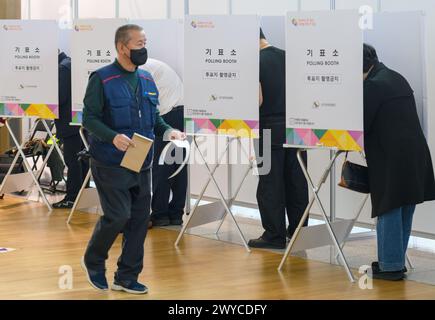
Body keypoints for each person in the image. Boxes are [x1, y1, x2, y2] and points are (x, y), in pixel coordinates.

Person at [81, 24, 185, 294]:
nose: (143, 48)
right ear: (122, 47)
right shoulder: (102, 79)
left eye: (145, 42)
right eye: (139, 43)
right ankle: (93, 260)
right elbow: (89, 118)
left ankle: (126, 276)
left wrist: (168, 131)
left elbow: (155, 117)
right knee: (118, 216)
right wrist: (111, 136)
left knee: (140, 219)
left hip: (142, 160)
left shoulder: (148, 79)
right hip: (109, 161)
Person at [363, 44, 435, 281]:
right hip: (414, 154)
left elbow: (361, 123)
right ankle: (393, 260)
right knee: (404, 205)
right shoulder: (395, 76)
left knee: (389, 205)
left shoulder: (373, 85)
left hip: (392, 157)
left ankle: (391, 266)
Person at [248, 29, 309, 250]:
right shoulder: (289, 57)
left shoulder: (253, 62)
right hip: (298, 130)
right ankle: (298, 231)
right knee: (297, 183)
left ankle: (274, 235)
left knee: (269, 184)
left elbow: (258, 99)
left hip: (267, 130)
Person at [141, 58, 187, 227]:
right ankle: (176, 214)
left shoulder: (140, 69)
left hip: (167, 115)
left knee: (161, 166)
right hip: (181, 113)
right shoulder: (152, 65)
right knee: (178, 166)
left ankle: (160, 215)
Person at [53, 51, 88, 209]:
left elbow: (60, 97)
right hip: (80, 119)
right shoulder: (71, 63)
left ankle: (72, 197)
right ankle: (83, 194)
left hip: (69, 122)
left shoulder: (63, 68)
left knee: (72, 161)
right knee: (81, 159)